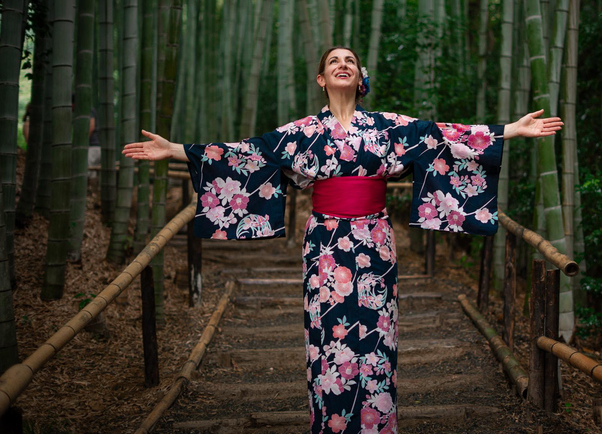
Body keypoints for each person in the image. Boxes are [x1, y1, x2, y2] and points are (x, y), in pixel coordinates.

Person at [122, 47, 562, 433]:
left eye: (350, 59)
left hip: (375, 240)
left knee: (378, 333)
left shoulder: (387, 126)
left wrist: (509, 130)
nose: (342, 64)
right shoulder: (303, 131)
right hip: (325, 243)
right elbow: (249, 153)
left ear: (359, 76)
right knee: (326, 337)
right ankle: (331, 424)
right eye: (334, 61)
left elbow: (442, 137)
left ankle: (378, 425)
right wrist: (176, 149)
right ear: (322, 78)